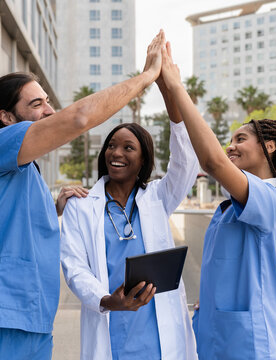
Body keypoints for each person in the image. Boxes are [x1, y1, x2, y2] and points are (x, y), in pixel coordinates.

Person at [0, 31, 166, 360]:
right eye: (37, 104)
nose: (49, 110)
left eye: (48, 101)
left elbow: (6, 220)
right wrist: (147, 76)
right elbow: (77, 118)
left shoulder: (26, 169)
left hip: (32, 322)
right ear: (6, 117)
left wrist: (53, 208)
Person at [160, 40, 276, 359]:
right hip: (215, 334)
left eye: (241, 139)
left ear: (268, 147)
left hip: (248, 343)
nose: (230, 146)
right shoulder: (228, 209)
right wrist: (165, 90)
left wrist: (177, 86)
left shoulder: (270, 200)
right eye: (230, 140)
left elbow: (212, 161)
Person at [60, 62, 199, 359]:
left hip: (159, 332)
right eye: (111, 146)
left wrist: (168, 89)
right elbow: (74, 267)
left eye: (128, 148)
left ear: (143, 158)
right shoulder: (81, 205)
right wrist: (109, 300)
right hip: (111, 323)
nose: (117, 153)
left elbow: (186, 162)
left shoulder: (157, 197)